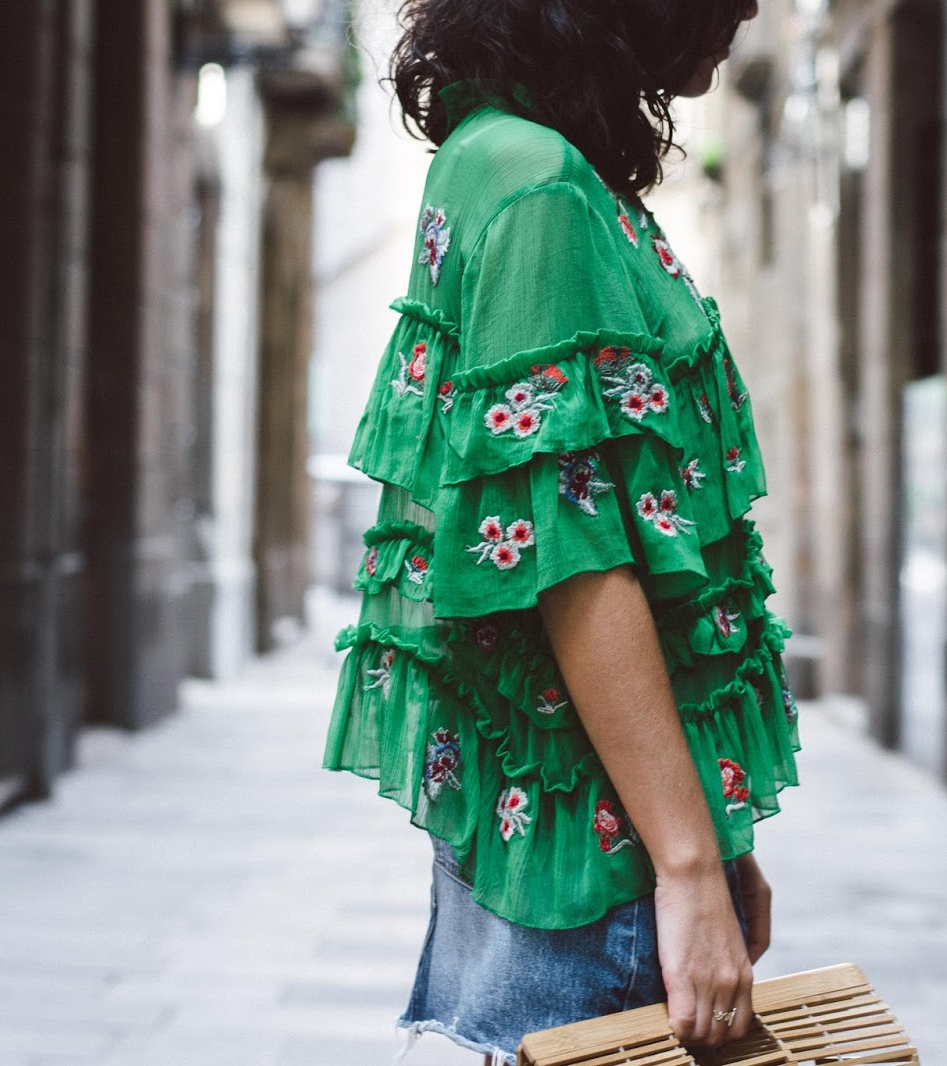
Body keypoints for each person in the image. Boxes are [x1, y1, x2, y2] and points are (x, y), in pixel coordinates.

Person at [321, 1, 800, 1061]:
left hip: (578, 827)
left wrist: (713, 837)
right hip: (604, 860)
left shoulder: (503, 157)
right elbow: (572, 562)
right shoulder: (541, 187)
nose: (753, 6)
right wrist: (683, 862)